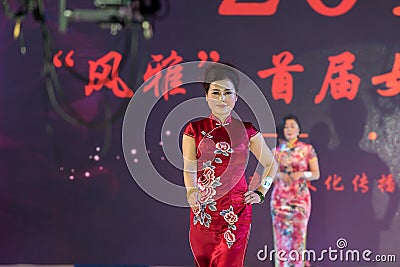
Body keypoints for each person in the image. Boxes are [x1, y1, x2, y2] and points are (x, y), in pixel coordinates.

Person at [182, 63, 278, 267]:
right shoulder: (194, 130)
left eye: (227, 93)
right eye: (215, 92)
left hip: (236, 212)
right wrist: (191, 191)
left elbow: (271, 164)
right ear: (207, 95)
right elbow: (189, 167)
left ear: (236, 97)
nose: (221, 98)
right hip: (203, 212)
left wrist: (261, 191)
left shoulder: (247, 131)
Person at [270, 114, 320, 267]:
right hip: (279, 201)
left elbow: (316, 174)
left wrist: (301, 174)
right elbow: (269, 176)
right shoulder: (276, 151)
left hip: (300, 201)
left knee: (298, 240)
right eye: (286, 126)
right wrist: (279, 175)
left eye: (293, 126)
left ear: (299, 130)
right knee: (281, 241)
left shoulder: (307, 150)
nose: (289, 129)